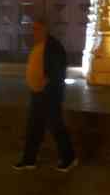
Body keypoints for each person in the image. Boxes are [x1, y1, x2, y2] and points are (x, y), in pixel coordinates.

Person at [13, 19, 77, 173]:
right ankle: (29, 160)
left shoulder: (54, 46)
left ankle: (69, 158)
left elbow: (58, 68)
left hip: (49, 94)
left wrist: (47, 82)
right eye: (33, 29)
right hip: (37, 94)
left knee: (56, 126)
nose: (34, 32)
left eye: (37, 29)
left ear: (45, 29)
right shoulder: (37, 46)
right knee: (33, 127)